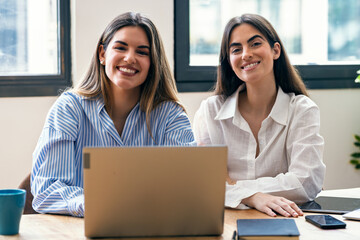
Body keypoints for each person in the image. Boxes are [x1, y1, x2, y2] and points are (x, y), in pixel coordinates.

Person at [31, 12, 195, 217]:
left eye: (142, 52)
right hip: (79, 229)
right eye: (121, 47)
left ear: (152, 63)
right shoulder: (69, 108)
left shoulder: (171, 116)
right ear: (102, 54)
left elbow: (187, 189)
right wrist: (98, 205)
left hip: (149, 229)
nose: (130, 58)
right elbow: (47, 190)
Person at [193, 14, 325, 217]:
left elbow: (306, 182)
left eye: (255, 44)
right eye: (236, 49)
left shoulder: (302, 110)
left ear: (275, 50)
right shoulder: (210, 111)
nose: (246, 54)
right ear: (229, 60)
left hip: (287, 221)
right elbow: (202, 184)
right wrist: (253, 197)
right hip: (225, 220)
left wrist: (234, 186)